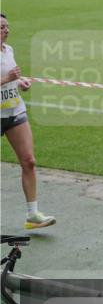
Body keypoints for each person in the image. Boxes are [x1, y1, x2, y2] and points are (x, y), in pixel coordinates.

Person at [1, 13, 57, 230]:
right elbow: (6, 78)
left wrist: (20, 83)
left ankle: (33, 214)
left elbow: (11, 80)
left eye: (7, 26)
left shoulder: (9, 50)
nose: (6, 30)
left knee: (29, 161)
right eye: (1, 27)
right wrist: (8, 79)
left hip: (14, 112)